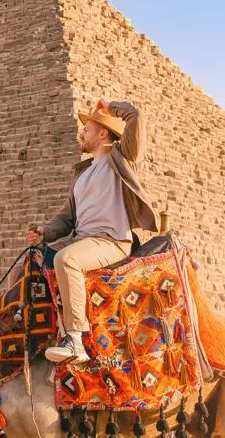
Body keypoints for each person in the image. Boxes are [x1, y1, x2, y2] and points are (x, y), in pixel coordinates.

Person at [26, 100, 159, 364]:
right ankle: (31, 334)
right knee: (30, 263)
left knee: (67, 260)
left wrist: (111, 108)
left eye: (86, 129)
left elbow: (136, 116)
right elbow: (66, 218)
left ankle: (75, 339)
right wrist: (44, 232)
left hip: (111, 240)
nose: (81, 133)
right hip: (81, 240)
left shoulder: (121, 160)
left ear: (103, 133)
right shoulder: (82, 174)